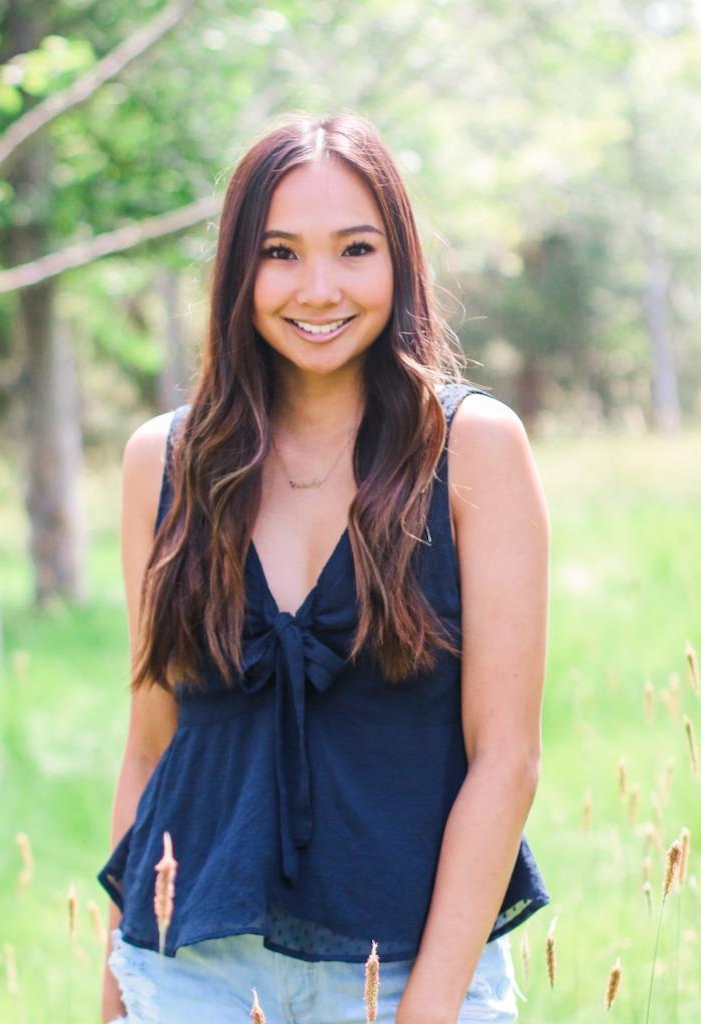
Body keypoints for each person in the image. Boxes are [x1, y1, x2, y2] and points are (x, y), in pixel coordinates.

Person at [97, 111, 550, 1024]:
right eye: (280, 252)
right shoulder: (166, 462)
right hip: (194, 975)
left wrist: (424, 1010)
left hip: (410, 970)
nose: (317, 289)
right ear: (239, 271)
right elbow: (152, 748)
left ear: (399, 262)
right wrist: (116, 989)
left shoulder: (471, 451)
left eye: (353, 249)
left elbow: (506, 760)